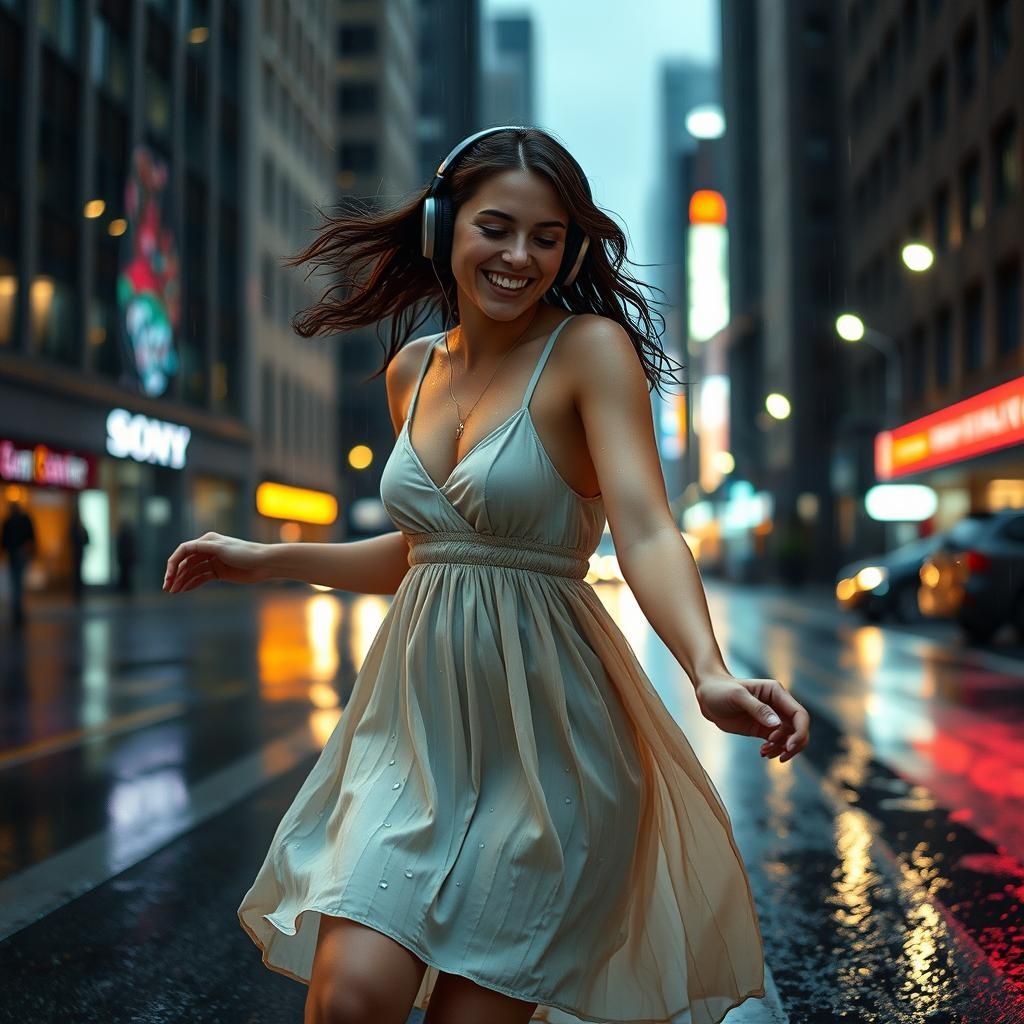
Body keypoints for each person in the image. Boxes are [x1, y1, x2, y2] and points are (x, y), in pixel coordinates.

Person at [163, 126, 810, 1024]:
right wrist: (263, 558)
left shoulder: (590, 349)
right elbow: (426, 550)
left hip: (552, 754)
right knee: (348, 998)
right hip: (412, 741)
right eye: (496, 228)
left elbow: (650, 529)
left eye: (547, 238)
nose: (520, 257)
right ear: (444, 227)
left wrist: (706, 669)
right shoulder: (411, 372)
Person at [1, 500, 36, 627]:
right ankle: (18, 613)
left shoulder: (9, 520)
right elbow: (31, 536)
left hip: (15, 555)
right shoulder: (21, 519)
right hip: (18, 555)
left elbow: (4, 541)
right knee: (18, 585)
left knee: (16, 584)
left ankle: (17, 613)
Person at [68, 506, 90, 602]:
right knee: (77, 573)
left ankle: (79, 592)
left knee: (79, 573)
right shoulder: (76, 528)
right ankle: (77, 592)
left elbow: (87, 539)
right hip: (76, 553)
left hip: (79, 553)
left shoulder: (80, 528)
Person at [116, 519, 137, 595]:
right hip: (125, 559)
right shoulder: (127, 536)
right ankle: (125, 590)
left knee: (125, 575)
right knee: (125, 575)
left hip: (125, 559)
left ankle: (125, 590)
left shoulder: (123, 536)